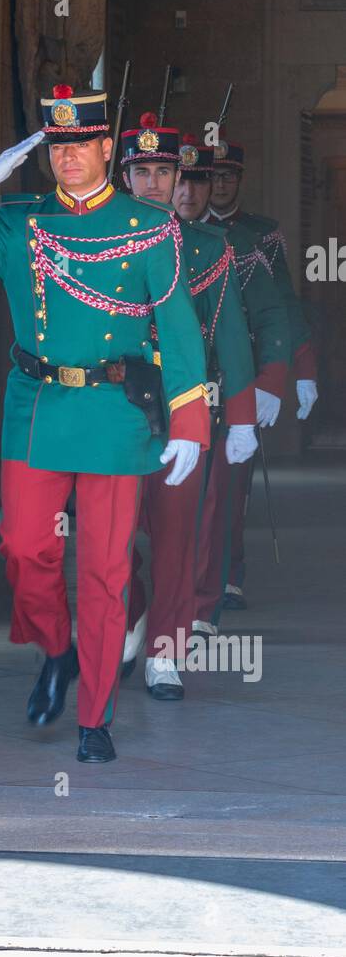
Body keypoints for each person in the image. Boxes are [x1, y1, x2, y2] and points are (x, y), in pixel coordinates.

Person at [0, 86, 209, 764]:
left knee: (107, 571)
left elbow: (174, 326)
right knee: (25, 548)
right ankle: (57, 650)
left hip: (115, 415)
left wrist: (188, 421)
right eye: (56, 148)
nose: (69, 159)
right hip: (38, 407)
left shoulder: (149, 227)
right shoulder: (20, 223)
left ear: (106, 148)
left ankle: (95, 717)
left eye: (81, 145)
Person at [120, 120, 257, 699]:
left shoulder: (207, 248)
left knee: (177, 538)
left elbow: (229, 335)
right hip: (116, 409)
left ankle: (165, 652)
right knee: (114, 535)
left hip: (183, 408)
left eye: (164, 172)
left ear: (178, 177)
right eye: (142, 172)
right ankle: (132, 614)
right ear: (124, 176)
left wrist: (244, 415)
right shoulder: (97, 239)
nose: (154, 184)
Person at [207, 133, 318, 609]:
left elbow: (282, 304)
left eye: (229, 176)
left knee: (233, 481)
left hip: (242, 368)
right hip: (187, 371)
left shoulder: (261, 233)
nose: (220, 185)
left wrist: (300, 367)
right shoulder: (169, 227)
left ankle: (229, 571)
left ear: (240, 181)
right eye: (213, 176)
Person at [189, 138, 291, 634]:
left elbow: (274, 311)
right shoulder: (134, 235)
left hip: (218, 388)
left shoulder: (238, 245)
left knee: (216, 502)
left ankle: (205, 600)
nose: (187, 191)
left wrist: (270, 380)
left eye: (198, 180)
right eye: (177, 178)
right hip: (145, 393)